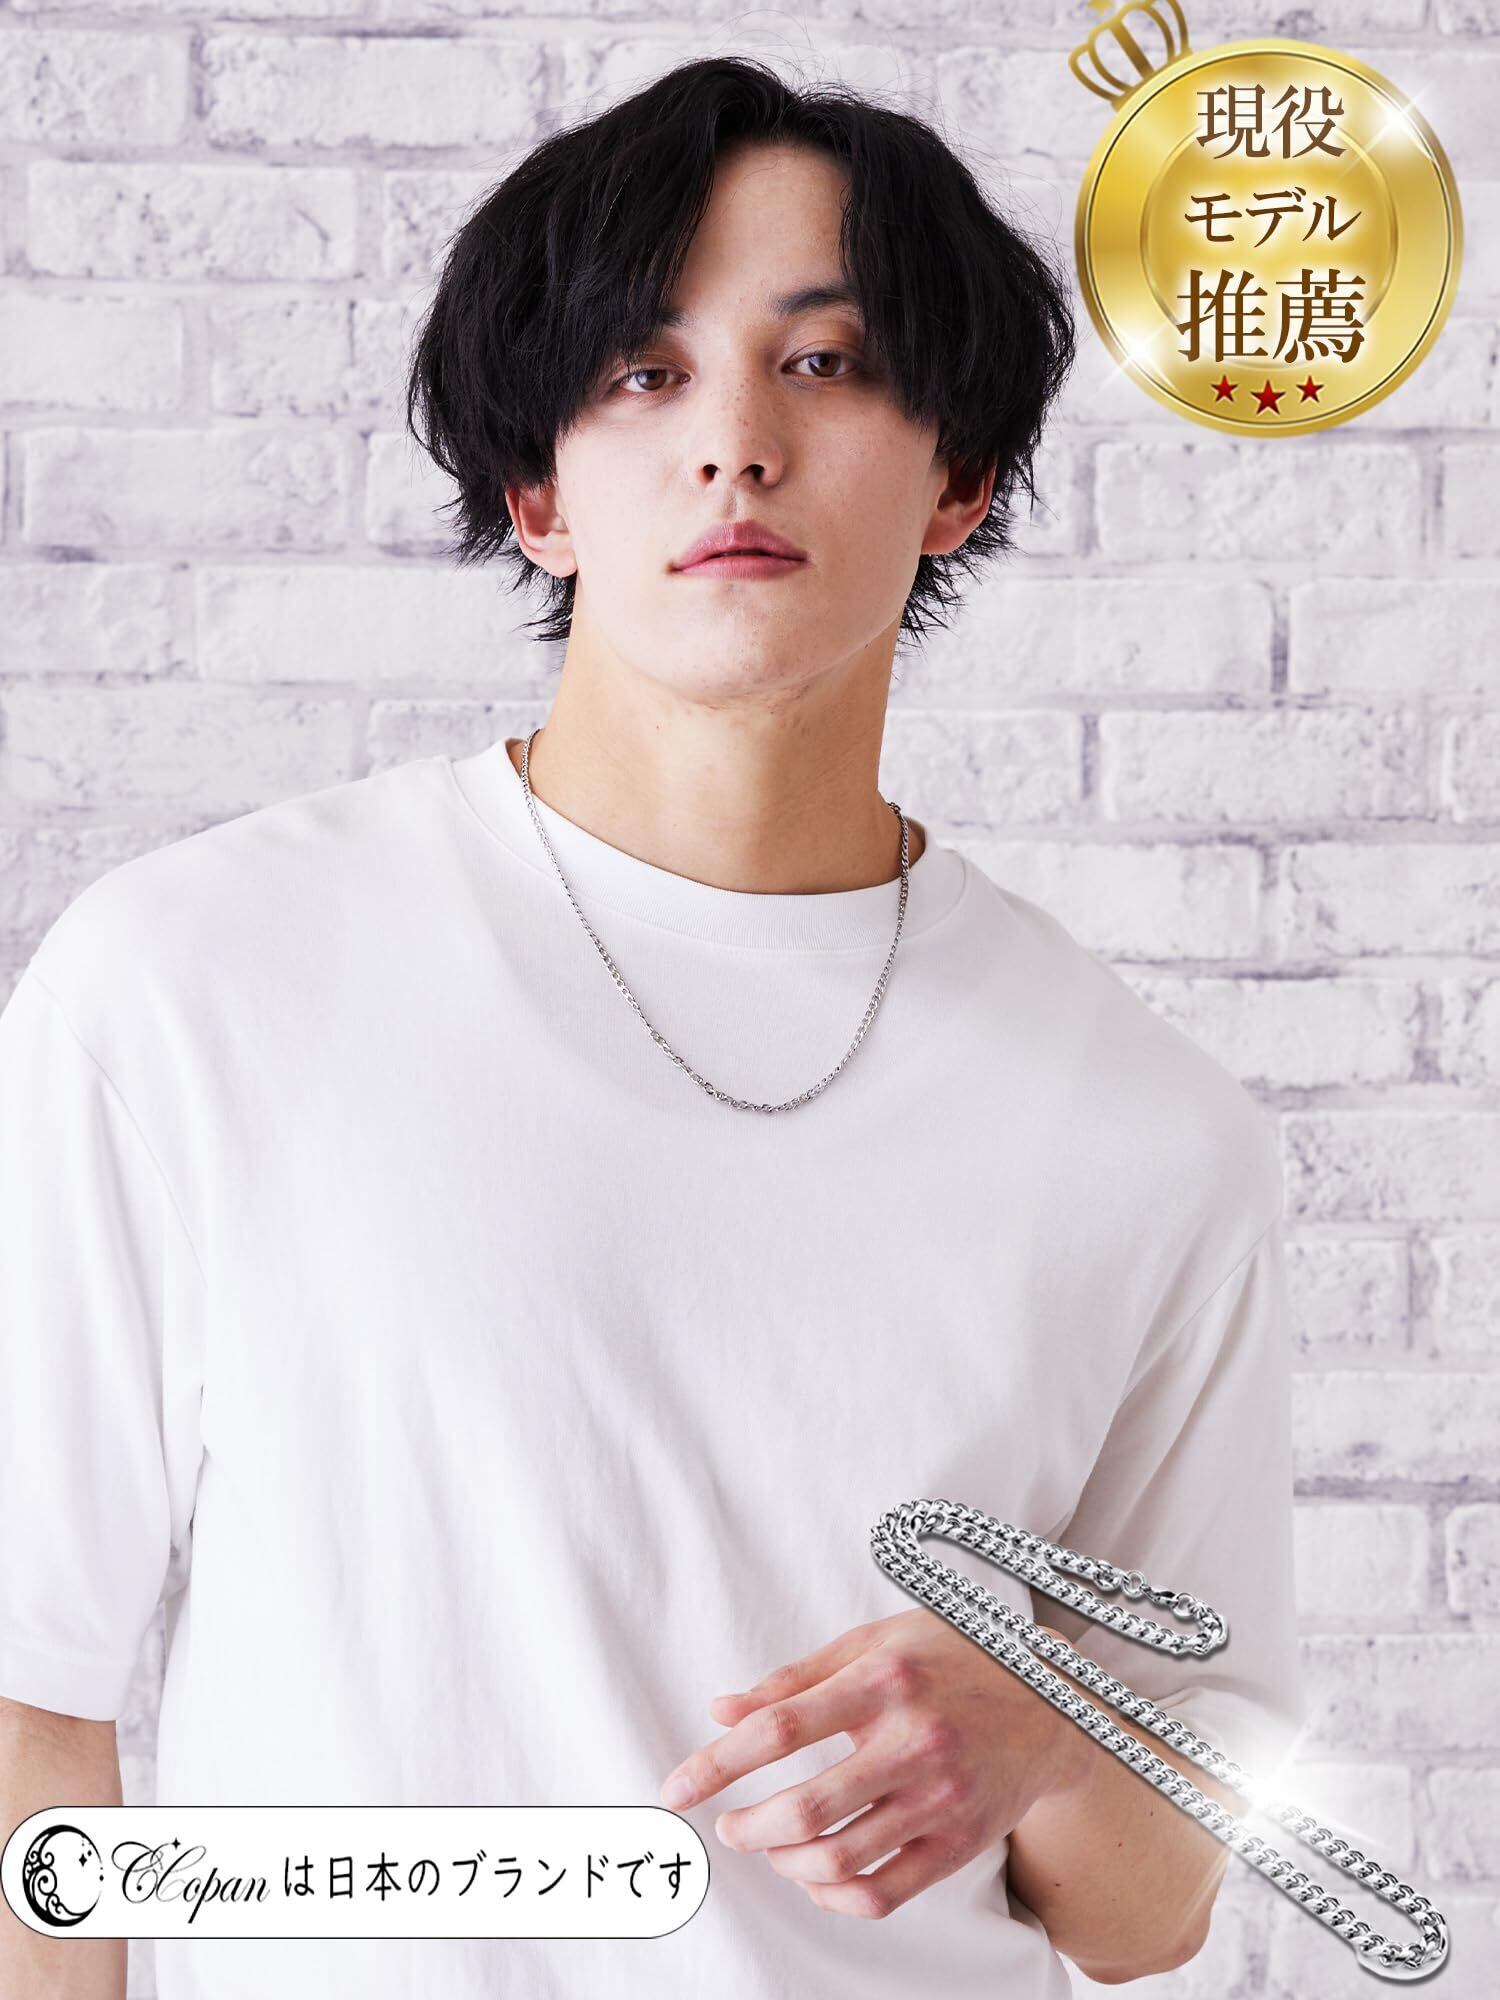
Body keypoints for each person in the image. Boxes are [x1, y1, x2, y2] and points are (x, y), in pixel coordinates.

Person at [0, 54, 1304, 2000]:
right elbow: (30, 1711)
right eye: (642, 374)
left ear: (959, 478)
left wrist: (1038, 1733)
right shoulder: (192, 986)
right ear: (536, 491)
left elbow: (1154, 1912)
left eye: (826, 362)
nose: (733, 446)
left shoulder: (1150, 1130)